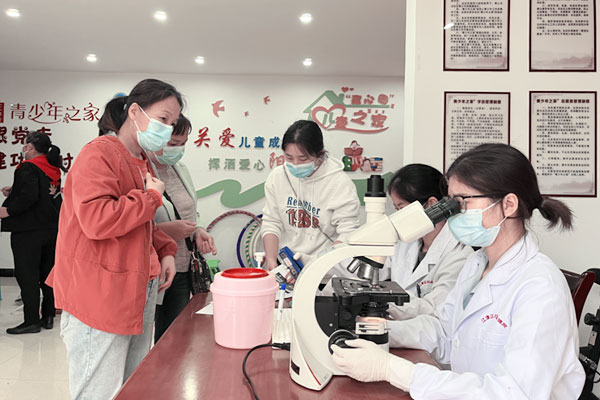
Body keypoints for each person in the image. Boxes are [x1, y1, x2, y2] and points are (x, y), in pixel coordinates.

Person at [331, 143, 585, 399]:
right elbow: (444, 333)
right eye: (452, 203)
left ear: (508, 205)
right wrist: (378, 330)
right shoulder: (477, 264)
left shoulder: (540, 287)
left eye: (463, 202)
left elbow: (514, 393)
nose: (454, 214)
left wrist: (393, 370)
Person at [46, 78, 182, 399]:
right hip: (100, 294)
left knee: (129, 386)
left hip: (136, 290)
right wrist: (151, 198)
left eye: (172, 123)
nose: (166, 129)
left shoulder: (142, 161)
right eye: (163, 119)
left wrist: (165, 250)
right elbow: (97, 220)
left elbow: (140, 225)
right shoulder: (99, 154)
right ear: (135, 111)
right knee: (99, 391)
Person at [147, 114, 217, 343]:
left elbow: (189, 211)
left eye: (183, 144)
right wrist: (166, 230)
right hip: (155, 267)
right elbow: (133, 219)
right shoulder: (142, 171)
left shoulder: (179, 169)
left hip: (184, 265)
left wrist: (198, 230)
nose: (177, 150)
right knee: (149, 337)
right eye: (172, 143)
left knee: (175, 335)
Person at [262, 120, 360, 271]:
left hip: (324, 269)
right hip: (287, 265)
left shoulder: (339, 183)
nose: (295, 164)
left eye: (303, 159)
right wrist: (271, 261)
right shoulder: (278, 177)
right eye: (289, 158)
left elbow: (347, 233)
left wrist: (317, 265)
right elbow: (271, 221)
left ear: (320, 153)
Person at [380, 164, 473, 320]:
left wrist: (382, 302)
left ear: (431, 204)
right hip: (398, 327)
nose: (398, 217)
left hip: (428, 331)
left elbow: (435, 308)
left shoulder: (458, 252)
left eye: (402, 209)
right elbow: (374, 272)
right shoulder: (405, 243)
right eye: (396, 210)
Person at [1, 131, 66, 334]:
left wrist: (8, 211)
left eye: (25, 145)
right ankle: (48, 315)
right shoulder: (52, 168)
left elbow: (29, 197)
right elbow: (43, 195)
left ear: (29, 147)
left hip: (28, 230)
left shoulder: (28, 167)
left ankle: (31, 321)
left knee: (27, 275)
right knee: (47, 273)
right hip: (51, 229)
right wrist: (13, 191)